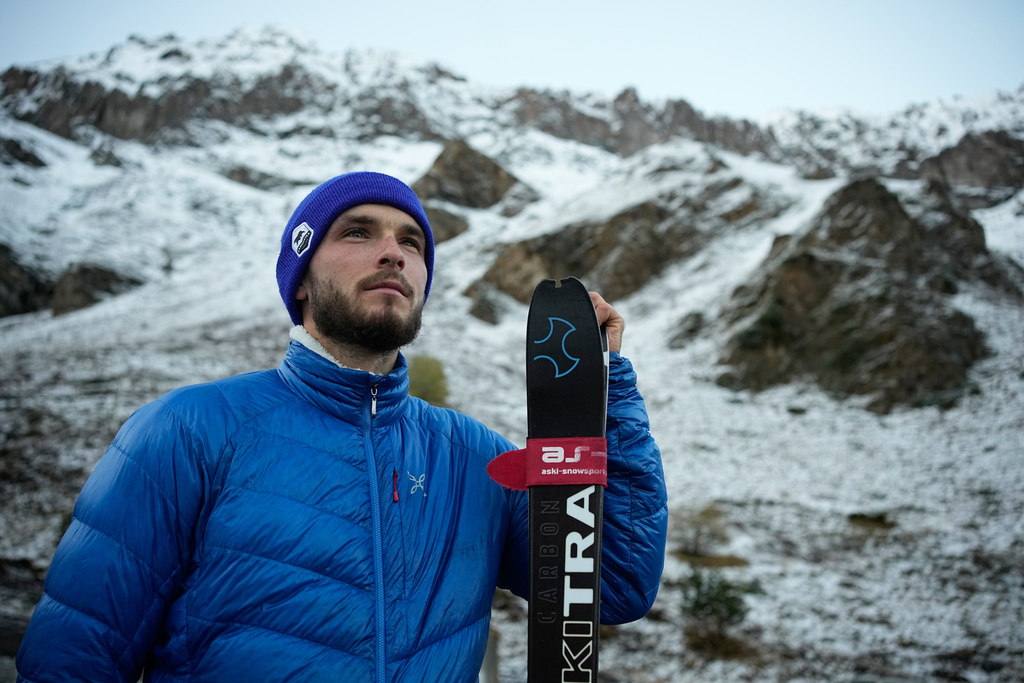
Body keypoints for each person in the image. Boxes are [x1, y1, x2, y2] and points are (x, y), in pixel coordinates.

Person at [16, 171, 668, 682]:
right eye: (358, 232)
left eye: (412, 242)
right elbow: (73, 658)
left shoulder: (473, 459)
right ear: (301, 279)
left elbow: (613, 583)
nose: (394, 252)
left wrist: (605, 391)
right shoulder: (186, 431)